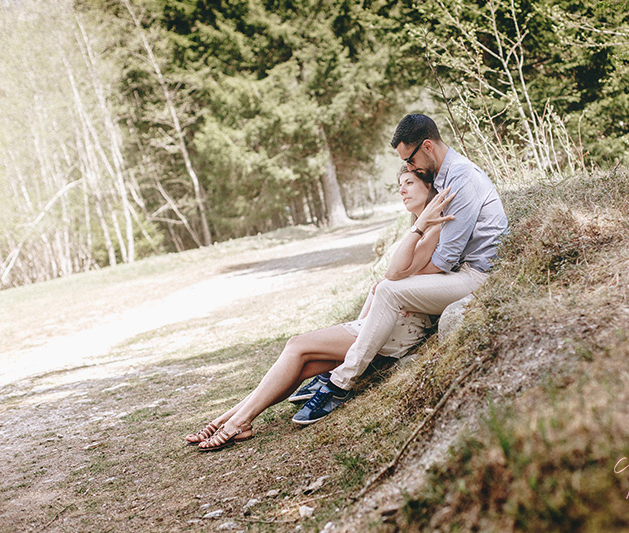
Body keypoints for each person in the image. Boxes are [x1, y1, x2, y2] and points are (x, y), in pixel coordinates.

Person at [186, 168, 454, 451]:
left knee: (297, 346)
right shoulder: (423, 226)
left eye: (410, 183)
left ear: (430, 189)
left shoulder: (434, 228)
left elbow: (393, 274)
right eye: (399, 184)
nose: (402, 190)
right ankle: (228, 419)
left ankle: (238, 422)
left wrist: (421, 224)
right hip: (386, 323)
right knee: (303, 366)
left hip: (398, 327)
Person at [292, 113, 508, 425]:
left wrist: (399, 276)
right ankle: (341, 370)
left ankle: (340, 382)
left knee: (390, 290)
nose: (409, 168)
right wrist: (399, 272)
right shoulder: (445, 177)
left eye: (410, 160)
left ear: (428, 146)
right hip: (461, 273)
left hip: (477, 276)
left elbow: (444, 260)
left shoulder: (462, 179)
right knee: (386, 286)